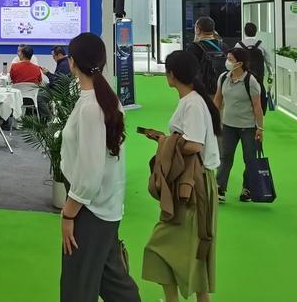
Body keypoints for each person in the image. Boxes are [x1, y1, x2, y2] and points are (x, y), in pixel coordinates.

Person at [58, 33, 139, 302]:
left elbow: (90, 173)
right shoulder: (102, 99)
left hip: (89, 209)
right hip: (103, 205)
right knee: (112, 280)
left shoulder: (92, 106)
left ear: (72, 62)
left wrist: (69, 214)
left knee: (77, 285)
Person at [143, 51, 219, 302]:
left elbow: (194, 144)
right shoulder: (193, 101)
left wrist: (167, 143)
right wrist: (167, 140)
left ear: (172, 74)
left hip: (193, 185)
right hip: (193, 182)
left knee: (163, 245)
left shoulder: (193, 104)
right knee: (196, 248)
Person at [213, 48, 264, 203]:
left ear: (240, 63)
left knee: (250, 159)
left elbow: (257, 107)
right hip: (228, 126)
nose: (227, 61)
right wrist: (212, 119)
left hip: (248, 127)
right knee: (225, 157)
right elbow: (217, 100)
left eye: (230, 59)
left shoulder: (251, 81)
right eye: (227, 58)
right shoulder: (223, 78)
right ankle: (220, 188)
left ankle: (247, 189)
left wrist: (260, 128)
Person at [186, 17, 227, 101]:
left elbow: (188, 71)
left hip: (202, 92)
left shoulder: (193, 48)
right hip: (222, 90)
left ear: (197, 29)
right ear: (213, 30)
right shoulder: (224, 46)